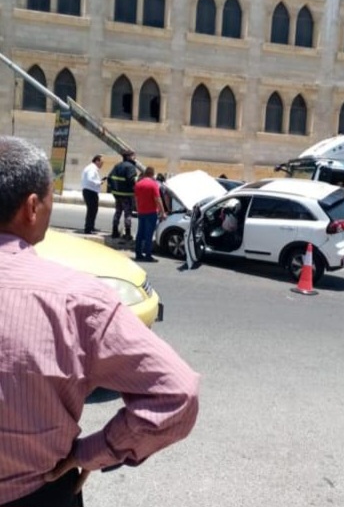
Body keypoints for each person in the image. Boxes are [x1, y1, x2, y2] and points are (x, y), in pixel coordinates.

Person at [0, 136, 200, 506]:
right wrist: (95, 450)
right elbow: (177, 393)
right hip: (38, 491)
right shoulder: (76, 298)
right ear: (32, 207)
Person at [134, 166, 166, 262]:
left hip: (141, 212)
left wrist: (138, 209)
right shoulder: (153, 184)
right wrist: (163, 212)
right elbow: (158, 199)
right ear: (152, 174)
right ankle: (148, 255)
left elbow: (136, 199)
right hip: (151, 212)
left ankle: (138, 254)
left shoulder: (138, 184)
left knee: (140, 233)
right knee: (149, 234)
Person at [107, 150, 137, 240]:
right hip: (127, 195)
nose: (135, 158)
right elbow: (132, 180)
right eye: (133, 156)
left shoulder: (117, 165)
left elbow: (109, 177)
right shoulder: (130, 167)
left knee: (117, 212)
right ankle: (127, 234)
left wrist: (112, 190)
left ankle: (114, 231)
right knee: (127, 214)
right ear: (128, 157)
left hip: (117, 195)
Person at [80, 154, 105, 234]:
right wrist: (99, 182)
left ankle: (91, 226)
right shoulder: (91, 169)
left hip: (91, 191)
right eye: (101, 162)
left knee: (93, 210)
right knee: (91, 210)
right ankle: (88, 228)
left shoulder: (92, 168)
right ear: (97, 161)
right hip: (90, 191)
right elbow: (90, 179)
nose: (102, 164)